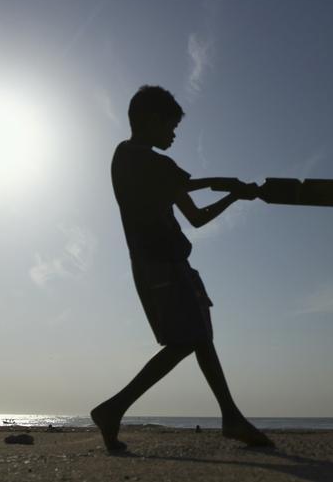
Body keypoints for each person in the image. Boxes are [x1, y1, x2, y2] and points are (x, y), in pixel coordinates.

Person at [90, 85, 272, 452]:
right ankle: (114, 408)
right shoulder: (132, 157)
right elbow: (185, 183)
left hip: (176, 264)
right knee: (187, 340)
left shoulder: (159, 169)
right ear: (150, 120)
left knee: (201, 335)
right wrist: (226, 183)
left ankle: (231, 416)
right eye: (170, 126)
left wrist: (233, 195)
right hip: (157, 265)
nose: (173, 134)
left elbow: (197, 217)